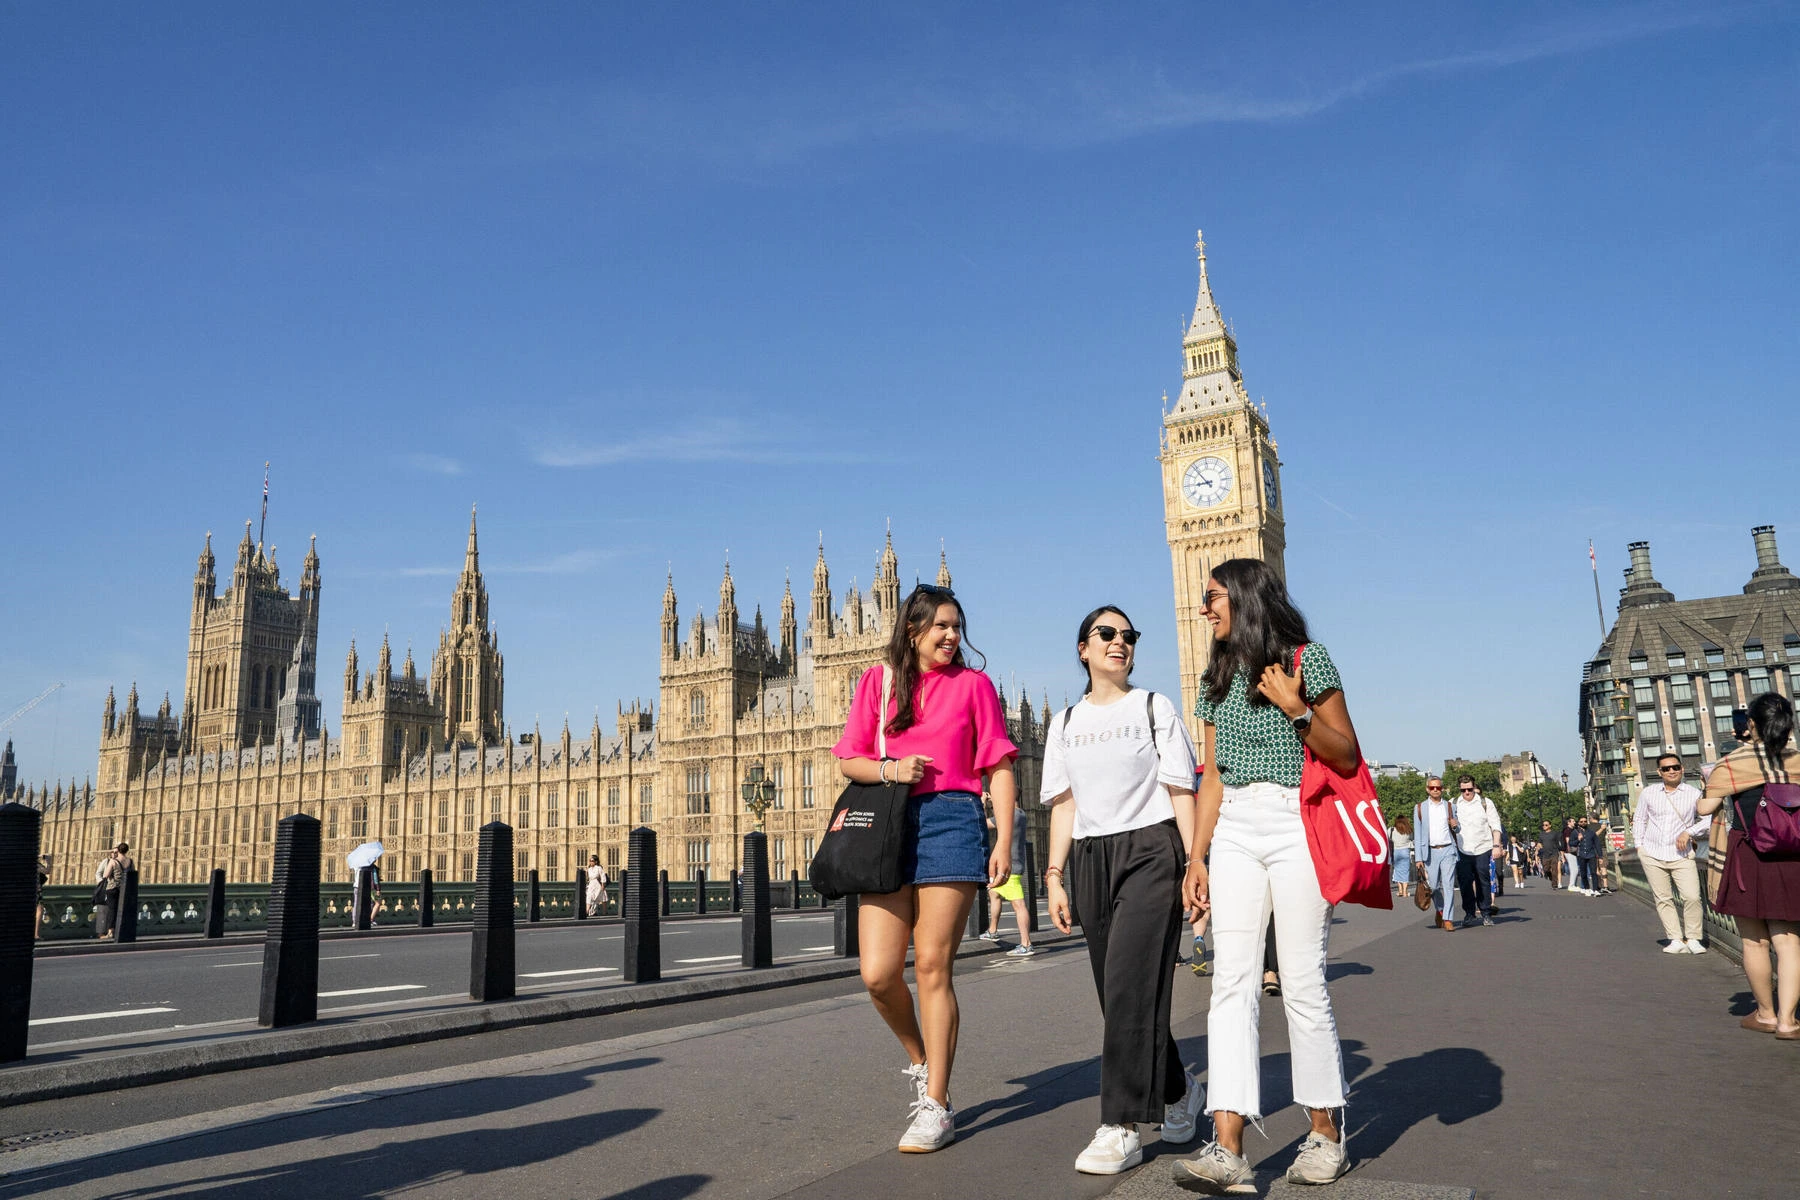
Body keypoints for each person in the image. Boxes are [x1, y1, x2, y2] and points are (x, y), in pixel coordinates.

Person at [1172, 558, 1356, 1191]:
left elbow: (1346, 752)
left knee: (1303, 982)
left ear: (1246, 599)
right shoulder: (1217, 676)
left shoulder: (1309, 660)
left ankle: (1325, 1136)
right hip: (1235, 830)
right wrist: (1196, 856)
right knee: (1231, 985)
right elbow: (1214, 775)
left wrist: (1297, 709)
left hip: (1296, 819)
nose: (1204, 608)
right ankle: (1228, 1148)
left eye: (1213, 597)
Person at [833, 583, 1017, 1153]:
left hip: (952, 821)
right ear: (912, 629)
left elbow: (1000, 764)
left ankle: (936, 1103)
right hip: (887, 822)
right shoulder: (877, 681)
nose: (951, 635)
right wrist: (891, 770)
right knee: (879, 973)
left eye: (957, 626)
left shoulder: (975, 686)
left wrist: (1003, 839)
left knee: (934, 964)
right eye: (940, 625)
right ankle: (922, 1058)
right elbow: (848, 758)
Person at [1042, 605, 1204, 1174]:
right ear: (1083, 649)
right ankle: (1181, 1092)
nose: (1120, 642)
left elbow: (1182, 791)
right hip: (1089, 856)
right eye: (1106, 634)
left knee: (1132, 983)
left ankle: (1120, 1125)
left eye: (1129, 636)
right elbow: (1063, 806)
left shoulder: (1155, 707)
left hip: (1151, 851)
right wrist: (1055, 875)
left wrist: (1195, 864)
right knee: (1120, 995)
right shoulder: (1063, 724)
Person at [1699, 692, 1800, 1037]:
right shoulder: (1799, 761)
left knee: (1754, 942)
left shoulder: (1732, 763)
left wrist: (1708, 787)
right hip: (1792, 858)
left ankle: (1767, 1014)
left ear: (1752, 725)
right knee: (1789, 943)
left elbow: (1704, 809)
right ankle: (1789, 1021)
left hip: (1749, 854)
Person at [1633, 753, 1708, 954]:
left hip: (1682, 855)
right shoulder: (1649, 793)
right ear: (1659, 772)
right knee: (1663, 898)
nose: (1671, 771)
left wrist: (1689, 831)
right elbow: (1639, 819)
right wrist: (1640, 847)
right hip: (1653, 853)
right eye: (1666, 768)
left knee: (1692, 896)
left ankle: (1693, 938)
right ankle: (1675, 938)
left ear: (1682, 768)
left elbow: (1708, 819)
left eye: (1675, 767)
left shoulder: (1693, 793)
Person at [981, 799, 1035, 957]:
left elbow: (983, 825)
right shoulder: (1021, 814)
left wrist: (983, 804)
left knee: (1018, 905)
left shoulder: (1008, 815)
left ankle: (1026, 944)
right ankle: (992, 930)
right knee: (994, 893)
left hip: (1008, 866)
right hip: (1014, 863)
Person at [1450, 776, 1502, 926]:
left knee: (1482, 880)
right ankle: (1469, 913)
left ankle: (1485, 912)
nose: (1466, 792)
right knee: (1465, 882)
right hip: (1462, 849)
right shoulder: (1453, 804)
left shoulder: (1485, 802)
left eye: (1469, 789)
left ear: (1474, 788)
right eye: (1463, 790)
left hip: (1483, 847)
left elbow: (1495, 825)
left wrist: (1496, 845)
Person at [1414, 778, 1460, 931]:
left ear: (1442, 789)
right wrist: (1418, 858)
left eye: (1438, 787)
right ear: (1427, 789)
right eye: (1432, 787)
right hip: (1430, 852)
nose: (1435, 790)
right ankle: (1440, 909)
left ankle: (1448, 918)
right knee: (1433, 887)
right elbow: (1418, 834)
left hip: (1448, 849)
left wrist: (1456, 826)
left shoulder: (1449, 806)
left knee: (1448, 885)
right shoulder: (1420, 808)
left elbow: (1457, 829)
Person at [95, 842, 133, 938]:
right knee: (123, 910)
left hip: (112, 888)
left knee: (112, 910)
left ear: (119, 851)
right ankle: (123, 930)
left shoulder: (113, 861)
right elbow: (133, 874)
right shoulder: (130, 861)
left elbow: (105, 875)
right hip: (125, 889)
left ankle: (111, 931)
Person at [1390, 815, 1414, 902]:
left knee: (1397, 870)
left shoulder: (1392, 830)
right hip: (1405, 851)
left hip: (1396, 851)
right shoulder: (1408, 830)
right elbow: (1412, 839)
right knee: (1405, 871)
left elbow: (1388, 837)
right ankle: (1405, 891)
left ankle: (1400, 890)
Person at [1573, 815, 1599, 896]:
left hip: (1591, 854)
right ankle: (1587, 888)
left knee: (1593, 872)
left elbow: (1597, 844)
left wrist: (1600, 856)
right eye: (1581, 821)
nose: (1583, 823)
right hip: (1581, 855)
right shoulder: (1575, 832)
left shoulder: (1591, 832)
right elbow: (1571, 843)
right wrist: (1578, 839)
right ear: (1578, 823)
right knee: (1583, 873)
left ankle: (1595, 889)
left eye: (1585, 821)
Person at [1537, 820, 1563, 889]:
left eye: (1546, 825)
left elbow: (1559, 844)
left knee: (1554, 869)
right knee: (1546, 869)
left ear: (1550, 826)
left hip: (1554, 853)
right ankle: (1551, 877)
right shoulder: (1541, 834)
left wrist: (1561, 853)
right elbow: (1539, 843)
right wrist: (1539, 848)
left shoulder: (1555, 833)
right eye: (1543, 825)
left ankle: (1554, 884)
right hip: (1545, 854)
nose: (1544, 826)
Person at [1561, 817, 1580, 894]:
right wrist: (1570, 850)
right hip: (1570, 851)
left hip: (1571, 851)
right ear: (1568, 823)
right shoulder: (1568, 830)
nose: (1574, 822)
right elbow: (1568, 841)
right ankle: (1571, 885)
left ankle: (1574, 885)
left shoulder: (1571, 830)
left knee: (1575, 868)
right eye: (1573, 821)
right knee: (1574, 869)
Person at [35, 856, 51, 940]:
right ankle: (36, 934)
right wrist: (49, 862)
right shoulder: (36, 865)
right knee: (39, 911)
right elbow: (47, 871)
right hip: (36, 892)